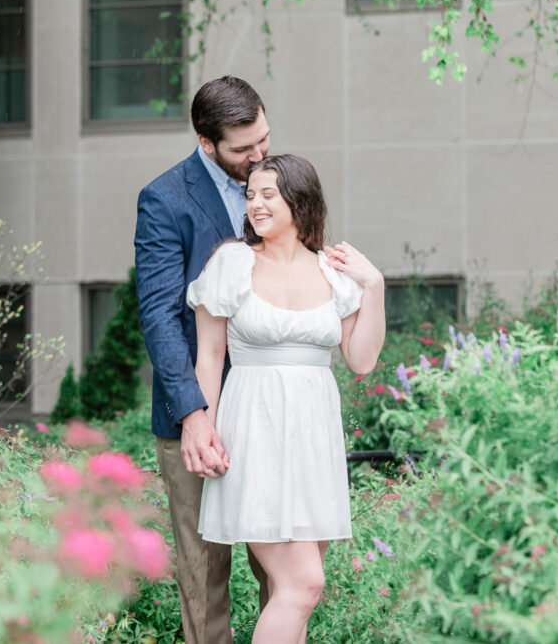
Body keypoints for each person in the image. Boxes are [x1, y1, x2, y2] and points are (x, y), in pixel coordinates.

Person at [186, 154, 386, 643]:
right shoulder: (232, 263)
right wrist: (202, 427)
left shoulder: (332, 272)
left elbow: (361, 360)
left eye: (267, 194)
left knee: (291, 590)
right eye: (250, 194)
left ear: (300, 198)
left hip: (312, 438)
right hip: (255, 429)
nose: (255, 203)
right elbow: (210, 357)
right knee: (303, 584)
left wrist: (374, 286)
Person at [133, 76, 272, 644]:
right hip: (195, 416)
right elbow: (161, 316)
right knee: (203, 574)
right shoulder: (164, 199)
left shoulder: (281, 182)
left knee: (283, 569)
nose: (258, 156)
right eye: (243, 149)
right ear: (206, 141)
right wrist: (194, 414)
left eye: (263, 139)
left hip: (270, 407)